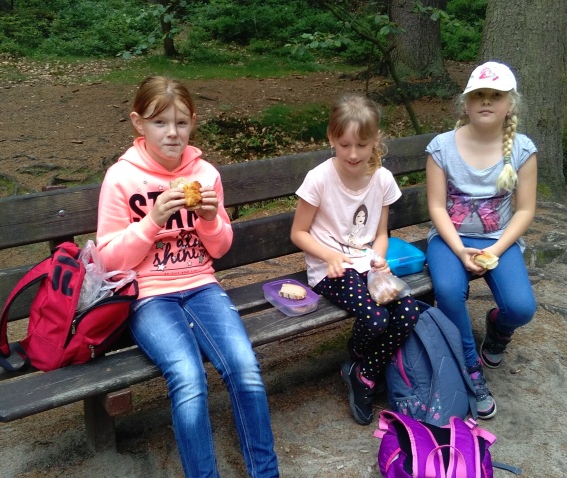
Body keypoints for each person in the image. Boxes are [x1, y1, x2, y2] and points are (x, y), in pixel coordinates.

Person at [95, 76, 279, 477]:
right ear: (138, 123)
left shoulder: (205, 174)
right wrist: (152, 221)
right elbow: (108, 260)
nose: (172, 133)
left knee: (245, 368)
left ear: (193, 123)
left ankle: (266, 473)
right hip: (149, 295)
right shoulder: (121, 178)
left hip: (201, 286)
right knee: (188, 376)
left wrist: (210, 219)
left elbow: (220, 247)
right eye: (159, 122)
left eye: (181, 123)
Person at [290, 93, 420, 426]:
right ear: (332, 138)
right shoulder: (319, 178)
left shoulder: (382, 179)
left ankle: (363, 372)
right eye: (345, 144)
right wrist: (329, 255)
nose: (352, 154)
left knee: (408, 311)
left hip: (367, 265)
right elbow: (299, 233)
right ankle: (364, 363)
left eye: (361, 145)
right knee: (376, 320)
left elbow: (381, 233)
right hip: (330, 269)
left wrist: (380, 259)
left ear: (375, 140)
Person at [425, 61, 538, 419]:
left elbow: (525, 210)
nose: (486, 101)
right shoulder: (442, 147)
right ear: (466, 103)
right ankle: (470, 368)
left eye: (495, 95)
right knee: (447, 292)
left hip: (498, 239)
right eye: (478, 95)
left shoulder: (522, 150)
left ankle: (498, 330)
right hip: (450, 239)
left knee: (521, 308)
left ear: (510, 104)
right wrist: (459, 250)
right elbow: (436, 206)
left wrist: (495, 250)